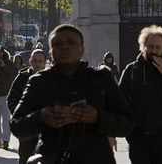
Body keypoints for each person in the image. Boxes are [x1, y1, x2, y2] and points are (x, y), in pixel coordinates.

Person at [10, 24, 132, 163]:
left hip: (96, 157)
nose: (65, 47)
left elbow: (127, 124)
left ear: (82, 49)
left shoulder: (102, 78)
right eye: (58, 43)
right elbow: (16, 125)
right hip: (53, 157)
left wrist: (97, 117)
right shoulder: (38, 81)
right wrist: (41, 117)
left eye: (71, 43)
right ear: (51, 51)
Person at [118, 25, 162, 164]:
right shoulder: (132, 69)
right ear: (143, 46)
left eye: (158, 47)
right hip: (138, 135)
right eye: (150, 46)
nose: (153, 51)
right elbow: (119, 100)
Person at [7, 49, 47, 164]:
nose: (37, 63)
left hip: (45, 125)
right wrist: (18, 114)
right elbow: (11, 98)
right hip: (26, 124)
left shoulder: (50, 78)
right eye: (35, 60)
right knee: (25, 156)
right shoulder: (22, 77)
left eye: (40, 61)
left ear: (45, 62)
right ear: (30, 61)